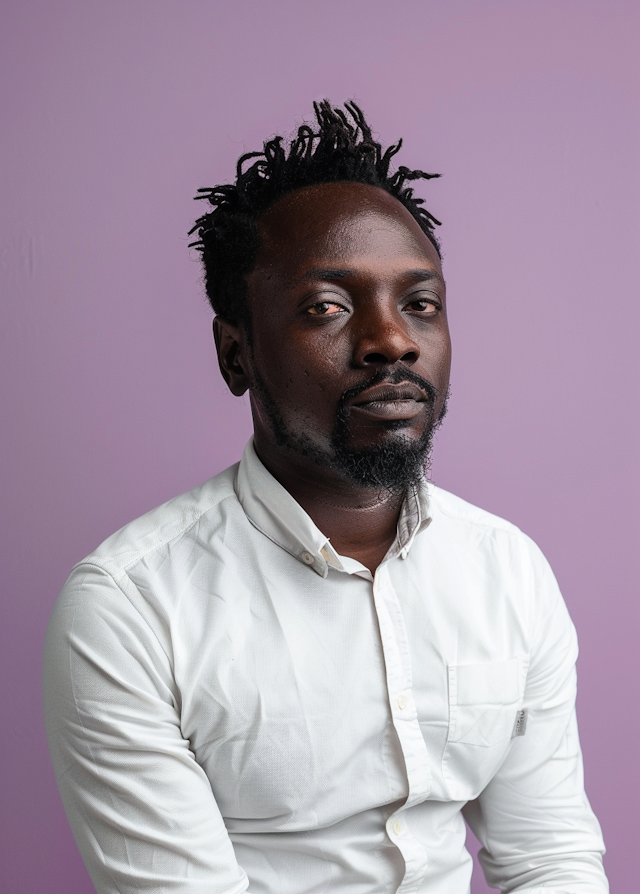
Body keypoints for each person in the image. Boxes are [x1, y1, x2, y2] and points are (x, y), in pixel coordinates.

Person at [43, 101, 608, 894]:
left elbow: (550, 857)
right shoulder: (130, 608)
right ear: (235, 354)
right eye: (327, 308)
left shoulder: (506, 570)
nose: (393, 340)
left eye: (420, 304)